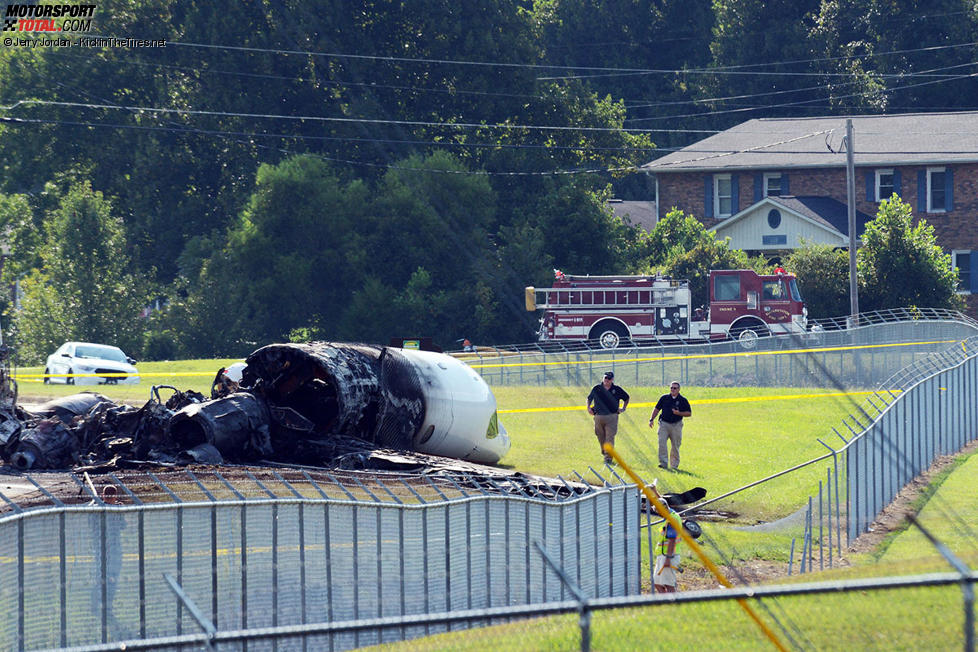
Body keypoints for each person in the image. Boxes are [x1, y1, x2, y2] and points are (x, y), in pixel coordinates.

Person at [586, 371, 629, 464]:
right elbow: (589, 398)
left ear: (612, 380)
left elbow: (626, 398)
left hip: (612, 416)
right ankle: (604, 451)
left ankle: (608, 457)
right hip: (598, 416)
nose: (607, 380)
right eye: (605, 378)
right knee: (600, 436)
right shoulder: (597, 388)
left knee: (610, 437)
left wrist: (623, 408)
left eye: (609, 379)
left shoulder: (616, 389)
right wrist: (588, 407)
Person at [649, 380, 692, 470]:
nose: (672, 389)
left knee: (675, 445)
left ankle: (674, 465)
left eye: (675, 388)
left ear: (679, 389)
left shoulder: (682, 400)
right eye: (671, 388)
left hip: (676, 425)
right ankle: (663, 463)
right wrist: (651, 419)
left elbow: (689, 413)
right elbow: (657, 409)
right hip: (664, 424)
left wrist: (678, 413)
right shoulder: (664, 398)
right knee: (662, 443)